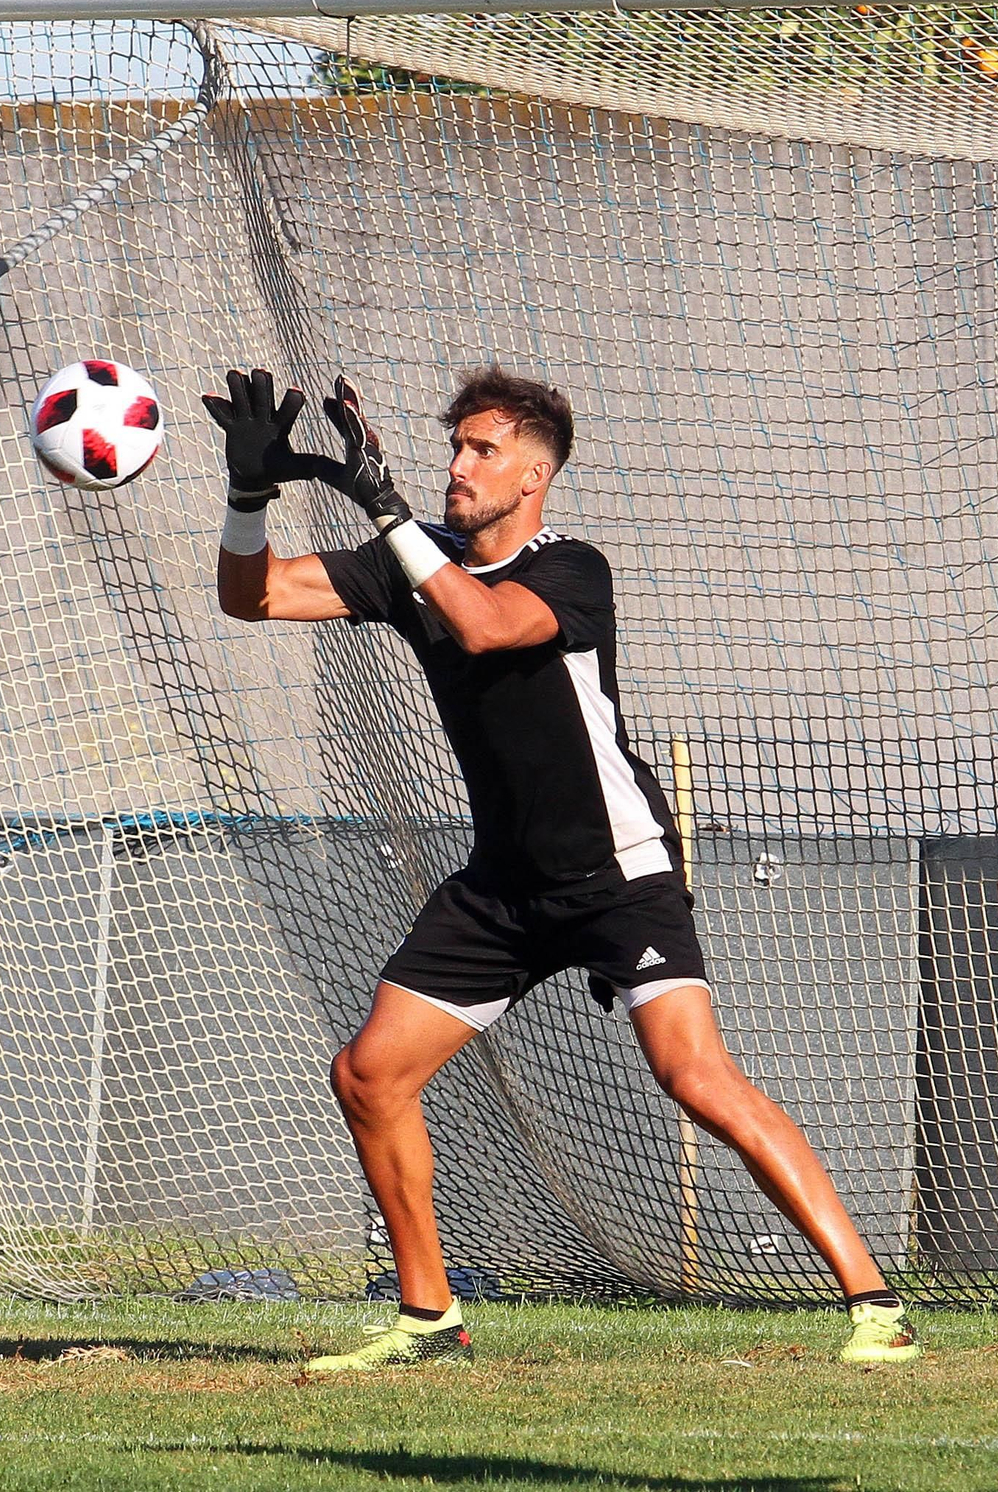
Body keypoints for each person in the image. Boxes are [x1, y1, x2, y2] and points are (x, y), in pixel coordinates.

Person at [202, 365, 921, 1373]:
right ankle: (428, 1315)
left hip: (617, 874)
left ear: (533, 474)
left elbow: (487, 626)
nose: (458, 464)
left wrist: (386, 509)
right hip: (502, 886)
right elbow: (255, 597)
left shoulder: (571, 567)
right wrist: (247, 495)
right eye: (453, 446)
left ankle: (876, 1304)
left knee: (693, 1075)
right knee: (368, 1074)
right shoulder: (416, 559)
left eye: (481, 450)